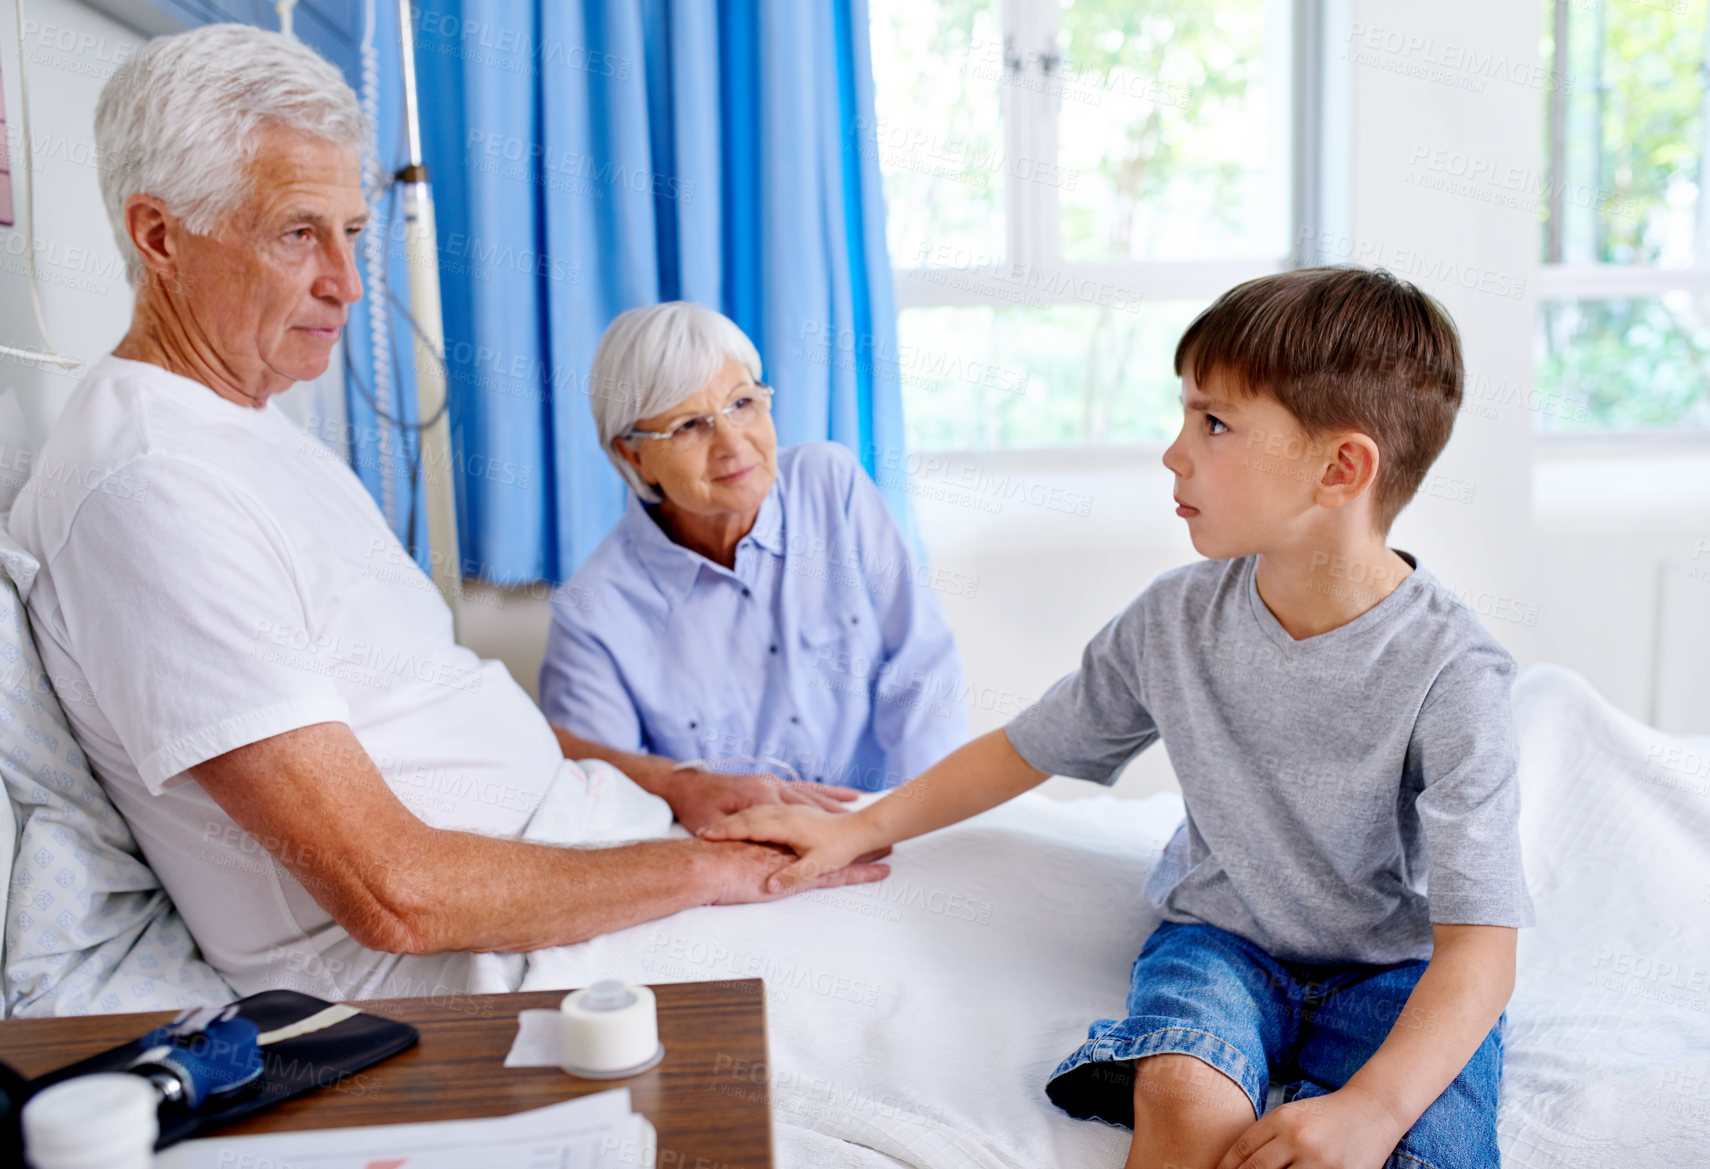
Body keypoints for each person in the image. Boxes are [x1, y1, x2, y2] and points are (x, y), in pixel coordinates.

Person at [7, 23, 886, 1003]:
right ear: (160, 236)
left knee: (969, 864)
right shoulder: (150, 489)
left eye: (351, 230)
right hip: (478, 964)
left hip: (585, 850)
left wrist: (672, 787)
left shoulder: (252, 429)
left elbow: (437, 704)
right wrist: (717, 869)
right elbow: (397, 895)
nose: (347, 281)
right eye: (300, 233)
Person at [702, 267, 1535, 1169]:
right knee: (1182, 1094)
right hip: (1224, 945)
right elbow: (1030, 747)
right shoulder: (1174, 619)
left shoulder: (1455, 674)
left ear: (1341, 468)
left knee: (1431, 1148)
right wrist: (860, 826)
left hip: (1397, 973)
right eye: (1185, 414)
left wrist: (1370, 1109)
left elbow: (1480, 950)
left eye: (1214, 423)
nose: (1174, 453)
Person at [539, 301, 967, 832]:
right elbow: (601, 796)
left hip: (884, 829)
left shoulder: (831, 485)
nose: (733, 443)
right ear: (632, 456)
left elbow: (922, 669)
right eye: (690, 425)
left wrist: (907, 827)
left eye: (742, 403)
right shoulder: (593, 611)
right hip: (733, 865)